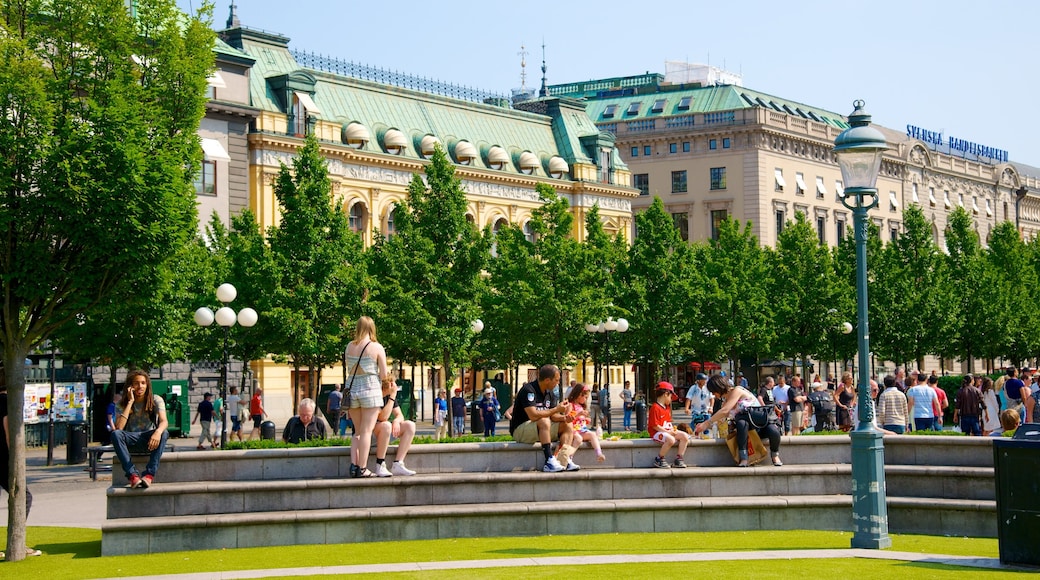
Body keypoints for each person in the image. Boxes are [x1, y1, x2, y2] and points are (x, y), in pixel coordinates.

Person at [695, 374, 783, 467]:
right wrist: (706, 428)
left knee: (774, 431)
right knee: (741, 423)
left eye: (713, 392)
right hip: (746, 429)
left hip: (760, 424)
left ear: (718, 388)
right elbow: (722, 417)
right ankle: (744, 458)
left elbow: (725, 411)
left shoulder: (737, 390)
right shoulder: (725, 402)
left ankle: (775, 455)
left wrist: (706, 423)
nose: (713, 395)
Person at [345, 315, 391, 478]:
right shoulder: (377, 347)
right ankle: (363, 468)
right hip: (370, 389)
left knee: (357, 432)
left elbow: (349, 368)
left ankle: (354, 465)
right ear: (372, 328)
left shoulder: (349, 346)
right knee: (366, 431)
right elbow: (384, 374)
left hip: (351, 390)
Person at [0, 381, 43, 558]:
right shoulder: (6, 401)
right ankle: (16, 543)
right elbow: (9, 429)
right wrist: (15, 460)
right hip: (3, 457)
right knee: (23, 496)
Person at [508, 364, 575, 473]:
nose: (558, 383)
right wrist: (556, 409)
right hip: (520, 429)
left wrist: (565, 418)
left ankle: (564, 459)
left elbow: (553, 416)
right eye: (557, 380)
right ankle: (549, 461)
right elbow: (533, 415)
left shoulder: (550, 393)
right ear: (547, 380)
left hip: (540, 428)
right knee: (544, 420)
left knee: (567, 425)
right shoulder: (528, 390)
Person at [111, 370, 170, 489]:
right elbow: (119, 428)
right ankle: (133, 475)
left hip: (150, 440)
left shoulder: (156, 400)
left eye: (143, 383)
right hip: (130, 440)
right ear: (130, 386)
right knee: (116, 434)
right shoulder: (121, 404)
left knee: (164, 432)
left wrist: (157, 432)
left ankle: (149, 475)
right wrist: (130, 402)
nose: (140, 386)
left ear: (147, 385)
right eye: (136, 383)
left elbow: (164, 421)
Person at [372, 376, 417, 476]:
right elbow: (382, 417)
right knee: (386, 425)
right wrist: (392, 395)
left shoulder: (389, 397)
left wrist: (396, 421)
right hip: (370, 435)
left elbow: (400, 415)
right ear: (389, 385)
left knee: (410, 425)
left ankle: (398, 463)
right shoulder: (377, 396)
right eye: (394, 384)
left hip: (384, 434)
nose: (396, 386)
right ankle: (380, 465)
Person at [648, 382, 688, 468]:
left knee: (684, 436)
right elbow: (655, 426)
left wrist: (673, 430)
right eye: (670, 397)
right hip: (656, 433)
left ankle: (679, 458)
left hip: (666, 431)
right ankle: (659, 458)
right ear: (666, 394)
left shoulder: (667, 408)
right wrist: (668, 432)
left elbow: (668, 423)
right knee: (671, 440)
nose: (671, 400)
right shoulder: (655, 407)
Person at [562, 383, 605, 462]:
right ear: (579, 395)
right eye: (585, 397)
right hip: (573, 429)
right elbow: (567, 419)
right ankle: (569, 457)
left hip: (582, 430)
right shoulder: (571, 405)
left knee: (593, 435)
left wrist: (585, 419)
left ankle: (599, 454)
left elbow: (581, 420)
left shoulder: (581, 406)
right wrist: (579, 414)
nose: (586, 399)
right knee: (578, 439)